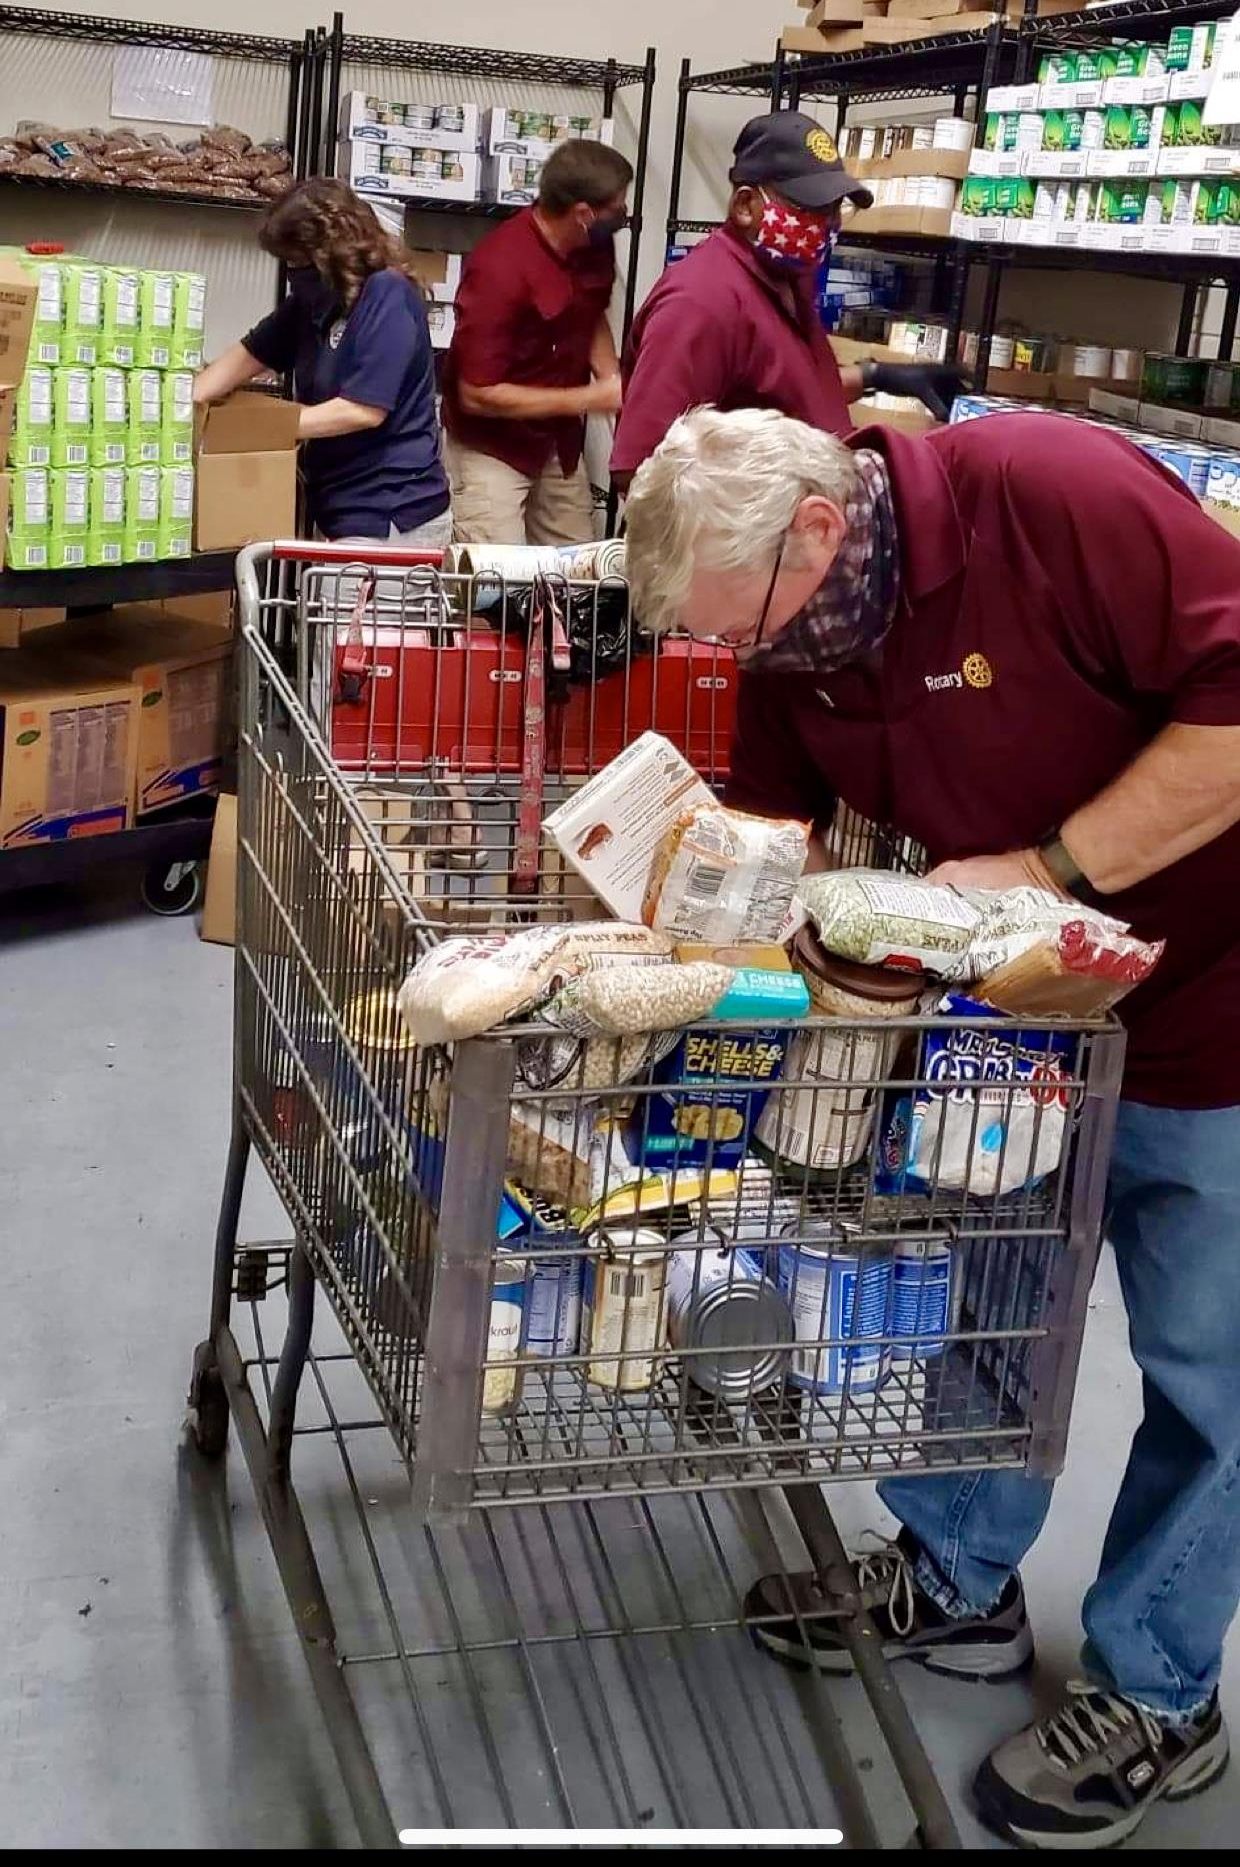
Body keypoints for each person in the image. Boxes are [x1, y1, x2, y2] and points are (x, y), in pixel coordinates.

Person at [623, 403, 1240, 1851]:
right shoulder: (799, 636)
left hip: (1217, 1001)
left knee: (1212, 1359)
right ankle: (959, 1577)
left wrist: (1051, 869)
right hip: (1012, 1032)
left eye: (750, 628)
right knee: (1001, 1293)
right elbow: (785, 831)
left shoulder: (1052, 494)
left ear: (820, 532)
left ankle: (1160, 1688)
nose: (754, 661)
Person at [610, 112, 967, 492]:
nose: (828, 224)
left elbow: (781, 389)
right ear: (746, 205)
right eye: (810, 209)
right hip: (737, 545)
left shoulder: (789, 277)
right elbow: (642, 471)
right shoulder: (701, 303)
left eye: (834, 209)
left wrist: (877, 377)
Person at [193, 176, 449, 547]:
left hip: (390, 514)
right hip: (337, 507)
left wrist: (259, 426)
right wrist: (182, 406)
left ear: (329, 252)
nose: (293, 274)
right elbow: (247, 356)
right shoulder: (313, 302)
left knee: (350, 607)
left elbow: (363, 409)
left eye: (298, 261)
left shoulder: (387, 294)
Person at [441, 138, 633, 546]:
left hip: (556, 443)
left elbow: (591, 310)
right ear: (583, 213)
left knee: (579, 577)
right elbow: (477, 393)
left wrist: (612, 380)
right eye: (618, 207)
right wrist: (589, 399)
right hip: (491, 448)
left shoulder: (593, 244)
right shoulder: (500, 268)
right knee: (494, 586)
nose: (624, 215)